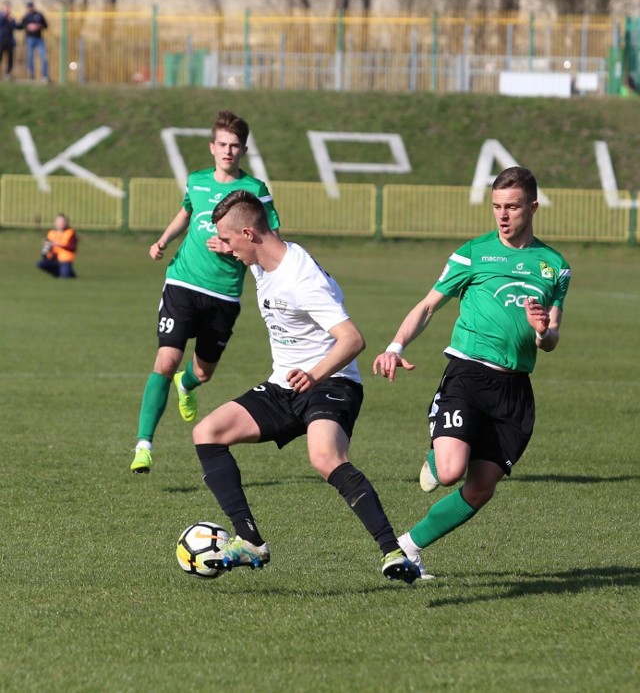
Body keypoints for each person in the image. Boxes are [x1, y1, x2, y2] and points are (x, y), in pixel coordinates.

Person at [189, 189, 420, 583]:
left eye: (228, 241)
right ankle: (250, 542)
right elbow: (254, 230)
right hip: (285, 385)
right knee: (207, 432)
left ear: (249, 234)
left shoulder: (303, 279)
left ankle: (394, 553)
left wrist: (314, 374)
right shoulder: (261, 257)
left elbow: (352, 339)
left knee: (325, 457)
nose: (226, 250)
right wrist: (222, 237)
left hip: (332, 382)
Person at [373, 166, 571, 580]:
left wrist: (541, 332)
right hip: (468, 374)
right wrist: (395, 346)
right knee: (447, 472)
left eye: (512, 207)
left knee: (480, 488)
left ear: (532, 208)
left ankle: (409, 547)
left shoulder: (554, 267)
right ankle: (435, 455)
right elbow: (428, 306)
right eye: (497, 206)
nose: (502, 215)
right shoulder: (473, 253)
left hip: (514, 390)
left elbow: (551, 339)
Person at [130, 111, 281, 474]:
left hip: (224, 294)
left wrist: (231, 249)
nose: (228, 151)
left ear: (243, 150)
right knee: (165, 361)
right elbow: (186, 212)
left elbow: (272, 239)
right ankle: (143, 446)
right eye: (223, 145)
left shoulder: (255, 191)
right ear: (212, 147)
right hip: (182, 281)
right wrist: (163, 240)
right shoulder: (196, 181)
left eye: (235, 146)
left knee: (202, 372)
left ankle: (188, 384)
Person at [36, 213, 78, 278]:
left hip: (65, 260)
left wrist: (59, 244)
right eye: (59, 221)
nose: (61, 223)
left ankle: (68, 272)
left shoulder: (70, 233)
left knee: (65, 277)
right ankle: (58, 273)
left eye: (63, 221)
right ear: (55, 222)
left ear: (66, 222)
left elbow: (72, 247)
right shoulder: (51, 233)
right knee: (40, 264)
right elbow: (46, 248)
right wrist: (46, 245)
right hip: (53, 259)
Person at [20, 1, 49, 82]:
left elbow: (46, 25)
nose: (29, 8)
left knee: (43, 56)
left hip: (39, 39)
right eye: (28, 7)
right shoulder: (26, 16)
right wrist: (28, 26)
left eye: (30, 7)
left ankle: (45, 76)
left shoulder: (39, 15)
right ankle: (31, 76)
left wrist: (38, 26)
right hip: (29, 39)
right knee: (30, 58)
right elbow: (20, 26)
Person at [0, 1, 20, 81]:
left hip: (9, 41)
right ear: (3, 7)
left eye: (8, 7)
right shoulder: (1, 17)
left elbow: (15, 27)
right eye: (6, 7)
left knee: (10, 59)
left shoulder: (11, 18)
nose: (7, 9)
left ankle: (8, 74)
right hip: (1, 41)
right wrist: (5, 17)